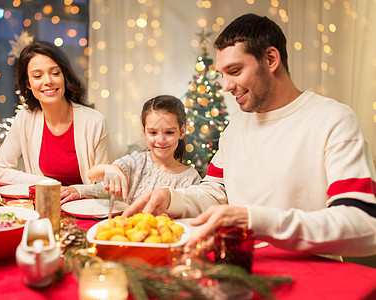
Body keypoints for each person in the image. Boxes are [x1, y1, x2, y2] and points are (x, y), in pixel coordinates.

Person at [123, 14, 376, 257]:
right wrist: (171, 198)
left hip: (312, 275)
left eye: (234, 71)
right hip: (238, 266)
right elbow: (215, 193)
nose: (226, 86)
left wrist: (253, 220)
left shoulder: (333, 120)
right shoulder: (236, 127)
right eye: (222, 75)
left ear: (271, 59)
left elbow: (364, 225)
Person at [0, 41, 110, 202]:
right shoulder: (25, 118)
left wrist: (78, 191)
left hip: (87, 212)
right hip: (44, 208)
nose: (48, 81)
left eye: (55, 73)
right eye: (37, 76)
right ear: (28, 83)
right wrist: (45, 183)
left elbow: (108, 187)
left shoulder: (95, 122)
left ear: (64, 77)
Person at [74, 95, 201, 204]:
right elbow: (92, 175)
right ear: (144, 132)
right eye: (153, 132)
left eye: (169, 132)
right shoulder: (135, 163)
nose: (161, 140)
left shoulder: (191, 178)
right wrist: (109, 168)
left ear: (182, 131)